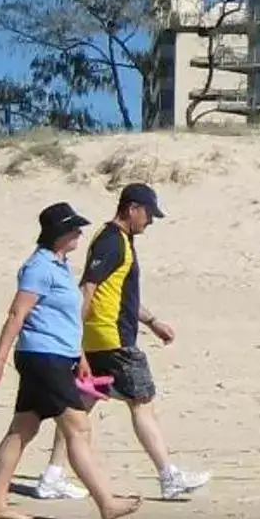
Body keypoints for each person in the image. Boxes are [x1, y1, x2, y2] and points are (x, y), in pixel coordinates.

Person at [0, 201, 141, 519]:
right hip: (43, 358)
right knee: (78, 428)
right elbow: (17, 314)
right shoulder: (38, 267)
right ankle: (106, 503)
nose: (79, 233)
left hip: (55, 356)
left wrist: (79, 358)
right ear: (58, 233)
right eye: (73, 228)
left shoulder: (60, 265)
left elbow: (66, 320)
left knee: (23, 429)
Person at [71, 181, 209, 501]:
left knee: (79, 408)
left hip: (100, 339)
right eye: (148, 214)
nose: (150, 221)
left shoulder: (118, 240)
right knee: (142, 403)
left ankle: (52, 474)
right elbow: (87, 290)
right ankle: (168, 476)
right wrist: (73, 338)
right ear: (132, 209)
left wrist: (152, 321)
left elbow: (120, 296)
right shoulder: (112, 242)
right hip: (113, 341)